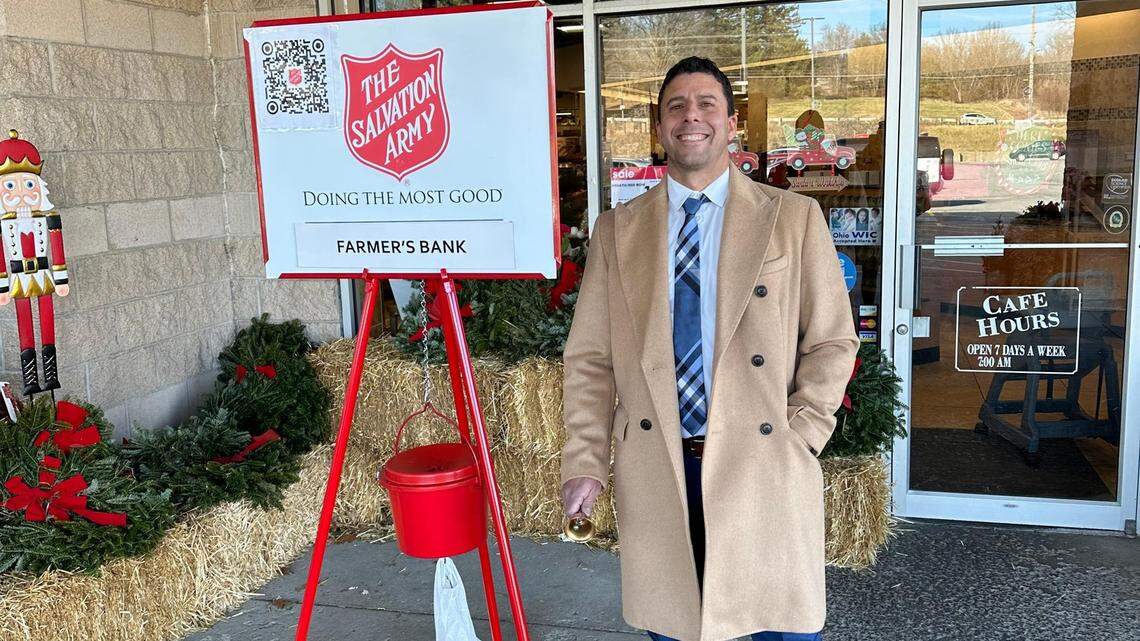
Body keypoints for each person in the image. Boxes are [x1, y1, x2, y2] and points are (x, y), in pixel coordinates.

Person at [560, 57, 858, 641]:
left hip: (762, 461)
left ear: (731, 123)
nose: (690, 117)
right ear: (659, 127)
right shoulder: (617, 230)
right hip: (660, 467)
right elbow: (590, 361)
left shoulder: (793, 218)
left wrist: (801, 431)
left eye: (706, 105)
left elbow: (832, 339)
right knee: (676, 627)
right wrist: (585, 462)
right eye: (676, 107)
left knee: (776, 629)